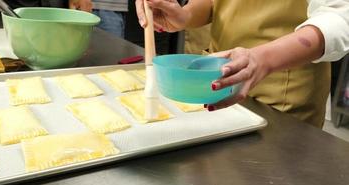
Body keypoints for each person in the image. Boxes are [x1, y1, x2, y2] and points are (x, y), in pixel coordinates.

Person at [135, 0, 349, 128]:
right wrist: (185, 15)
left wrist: (262, 59)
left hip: (281, 97)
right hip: (218, 83)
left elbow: (339, 16)